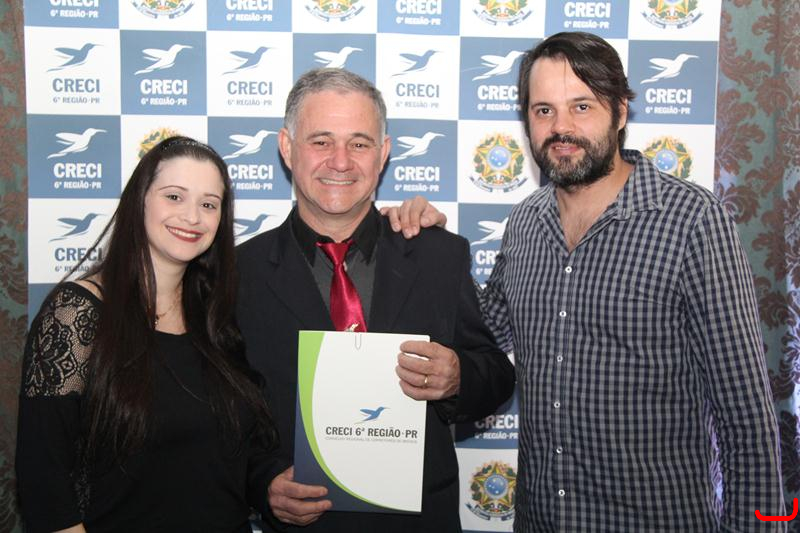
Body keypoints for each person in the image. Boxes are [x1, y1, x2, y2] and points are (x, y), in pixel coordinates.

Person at [394, 31, 786, 531]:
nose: (561, 127)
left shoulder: (693, 221)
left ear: (620, 112)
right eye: (544, 110)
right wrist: (430, 247)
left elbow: (747, 419)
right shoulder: (525, 223)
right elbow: (485, 332)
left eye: (581, 106)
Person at [235, 68, 516, 532]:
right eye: (321, 141)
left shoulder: (439, 255)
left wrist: (458, 377)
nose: (340, 161)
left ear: (383, 154)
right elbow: (221, 417)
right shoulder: (238, 273)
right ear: (287, 147)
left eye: (359, 143)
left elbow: (497, 374)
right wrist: (262, 482)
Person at [17, 137, 283, 532]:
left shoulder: (218, 317)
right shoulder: (75, 315)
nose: (192, 217)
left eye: (209, 204)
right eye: (174, 196)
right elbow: (45, 484)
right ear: (139, 200)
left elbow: (235, 459)